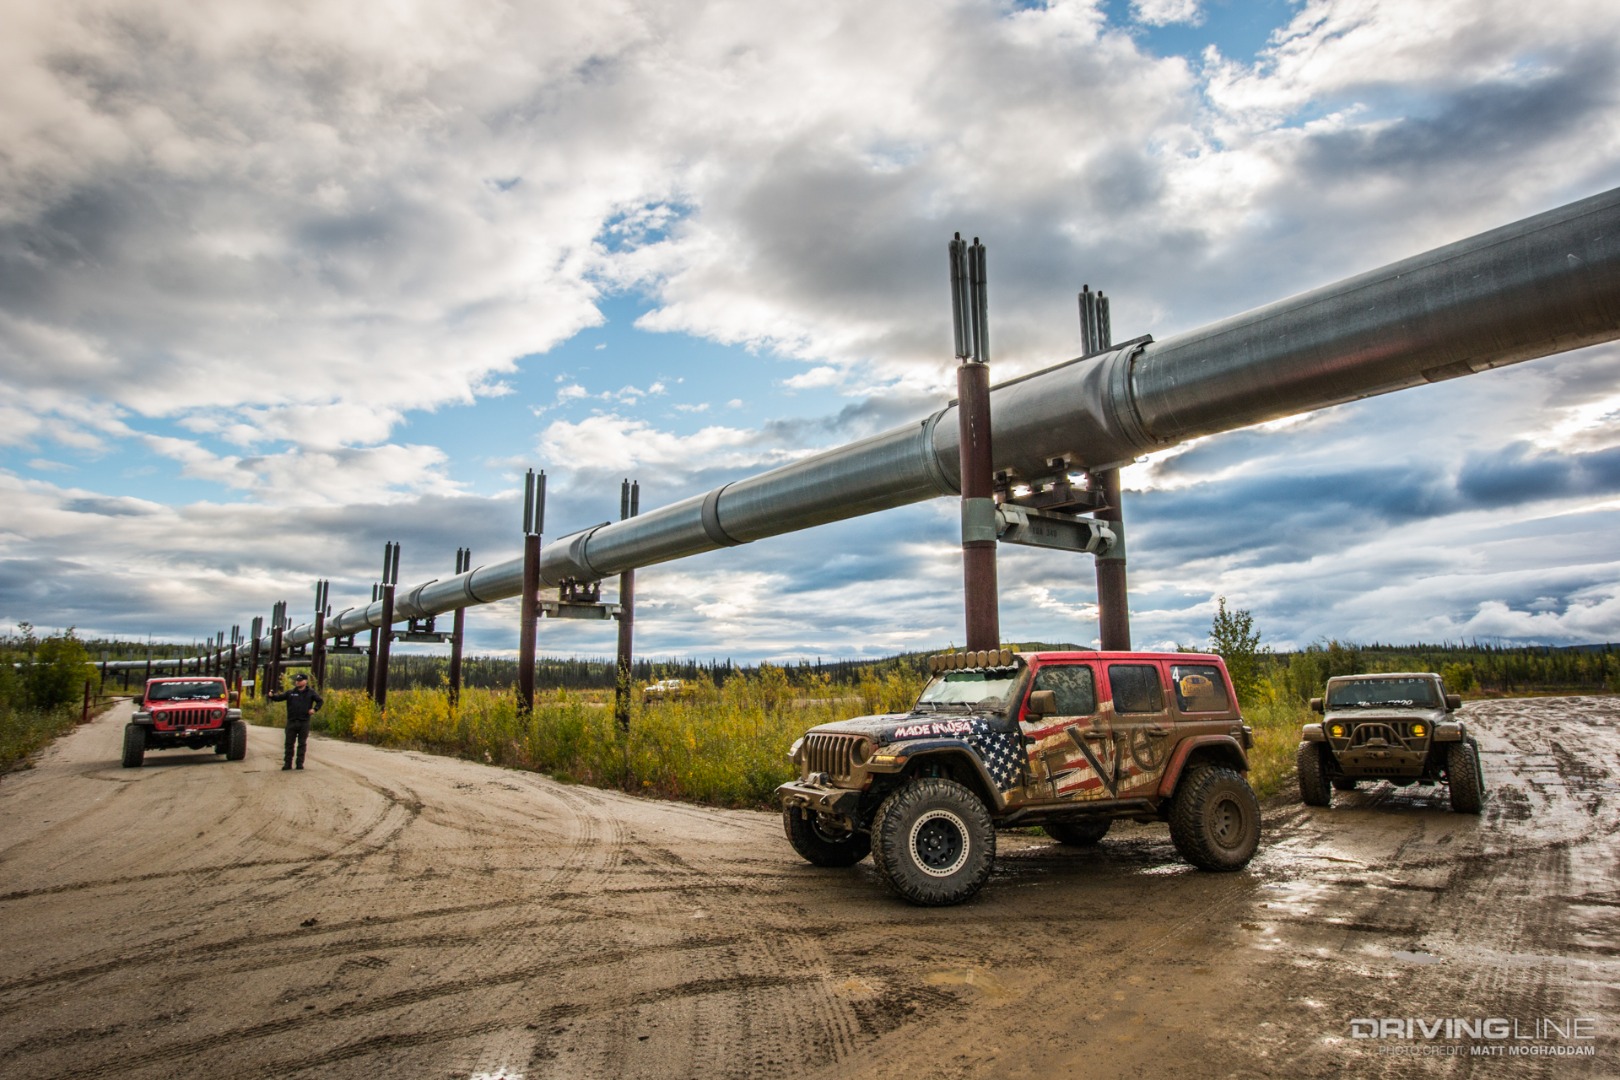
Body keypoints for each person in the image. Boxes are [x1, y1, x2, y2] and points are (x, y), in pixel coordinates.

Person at [267, 673, 323, 770]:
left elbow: (320, 701)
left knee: (302, 743)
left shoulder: (311, 692)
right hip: (292, 721)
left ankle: (299, 764)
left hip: (304, 722)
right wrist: (272, 696)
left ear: (305, 681)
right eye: (297, 680)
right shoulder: (291, 692)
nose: (298, 682)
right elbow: (279, 698)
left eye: (300, 680)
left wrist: (315, 709)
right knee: (289, 744)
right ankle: (287, 764)